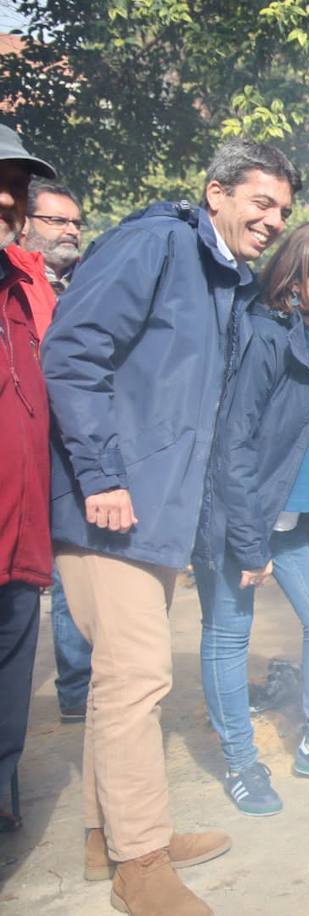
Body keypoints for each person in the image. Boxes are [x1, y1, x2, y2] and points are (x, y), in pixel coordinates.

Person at [43, 138, 300, 914]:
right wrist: (103, 476)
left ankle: (107, 836)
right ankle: (142, 863)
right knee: (140, 680)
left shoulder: (225, 281)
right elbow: (73, 350)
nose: (273, 220)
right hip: (110, 506)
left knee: (124, 677)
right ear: (215, 191)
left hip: (155, 512)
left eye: (284, 211)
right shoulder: (156, 243)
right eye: (261, 201)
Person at [192, 223, 309, 816]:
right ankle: (242, 764)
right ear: (296, 280)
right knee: (228, 635)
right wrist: (249, 545)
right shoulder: (264, 337)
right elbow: (234, 445)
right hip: (238, 517)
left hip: (299, 519)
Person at [0, 124, 58, 835]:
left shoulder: (26, 288)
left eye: (14, 188)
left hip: (21, 543)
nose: (8, 198)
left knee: (10, 694)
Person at [18, 178, 91, 723]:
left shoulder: (87, 283)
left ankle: (75, 688)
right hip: (19, 445)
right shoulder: (15, 282)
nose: (69, 230)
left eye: (75, 222)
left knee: (70, 567)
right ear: (26, 221)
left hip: (67, 450)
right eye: (56, 220)